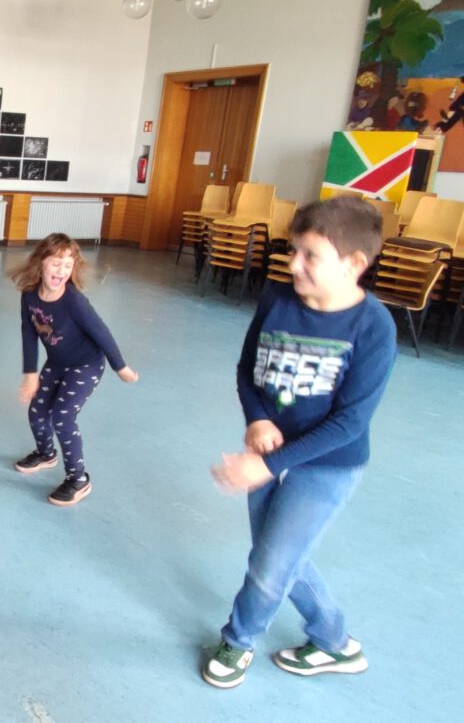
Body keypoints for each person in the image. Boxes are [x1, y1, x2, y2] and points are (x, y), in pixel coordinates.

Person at [202, 196, 396, 689]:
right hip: (268, 449)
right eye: (293, 250)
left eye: (311, 255)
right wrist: (257, 418)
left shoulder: (374, 326)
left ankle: (239, 639)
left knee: (269, 562)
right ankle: (334, 641)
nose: (294, 264)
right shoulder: (277, 300)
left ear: (354, 263)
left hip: (330, 461)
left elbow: (350, 422)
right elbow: (247, 370)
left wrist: (268, 465)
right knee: (276, 553)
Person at [9, 233, 139, 507]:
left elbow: (102, 333)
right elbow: (28, 333)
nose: (62, 270)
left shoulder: (74, 302)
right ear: (40, 262)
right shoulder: (29, 296)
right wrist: (30, 375)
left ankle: (79, 479)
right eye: (56, 263)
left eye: (68, 265)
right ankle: (46, 454)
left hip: (86, 365)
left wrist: (121, 367)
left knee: (62, 417)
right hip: (57, 363)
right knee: (37, 411)